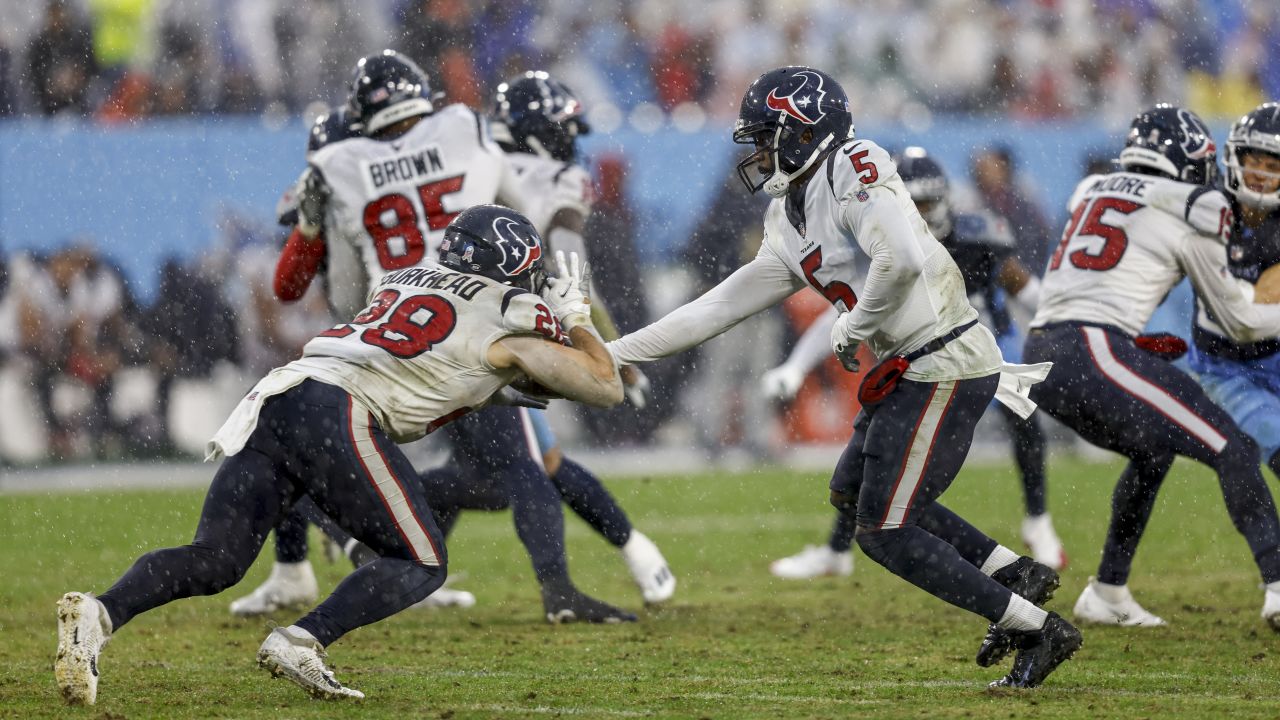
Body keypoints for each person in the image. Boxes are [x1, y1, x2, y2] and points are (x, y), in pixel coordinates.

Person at [608, 66, 1080, 689]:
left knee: (884, 530)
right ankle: (1012, 570)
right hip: (911, 369)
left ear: (804, 133)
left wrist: (855, 325)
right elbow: (713, 309)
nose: (755, 151)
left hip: (943, 363)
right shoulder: (788, 216)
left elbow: (904, 260)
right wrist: (615, 352)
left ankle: (1036, 626)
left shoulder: (852, 162)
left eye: (767, 135)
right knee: (853, 495)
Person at [53, 205, 624, 705]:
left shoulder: (404, 277)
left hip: (281, 393)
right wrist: (574, 318)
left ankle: (99, 614)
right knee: (421, 561)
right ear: (510, 265)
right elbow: (603, 385)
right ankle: (301, 640)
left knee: (217, 558)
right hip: (341, 410)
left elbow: (462, 364)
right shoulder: (511, 315)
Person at [234, 53, 663, 623]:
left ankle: (348, 541)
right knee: (521, 465)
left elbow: (335, 293)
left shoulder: (339, 162)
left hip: (394, 323)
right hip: (474, 320)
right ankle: (554, 590)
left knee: (310, 438)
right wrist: (579, 322)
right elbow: (529, 224)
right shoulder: (464, 129)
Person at [1022, 104, 1280, 633]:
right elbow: (1241, 322)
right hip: (1093, 349)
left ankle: (1108, 591)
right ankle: (1279, 585)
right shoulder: (1196, 205)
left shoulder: (1093, 188)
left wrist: (1129, 343)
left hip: (1048, 349)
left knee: (1152, 450)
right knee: (1232, 449)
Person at [765, 146, 1065, 581]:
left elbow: (1027, 292)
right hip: (922, 360)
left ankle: (1038, 522)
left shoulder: (977, 236)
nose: (922, 213)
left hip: (985, 350)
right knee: (871, 454)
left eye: (928, 203)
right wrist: (796, 366)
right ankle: (836, 549)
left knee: (1023, 420)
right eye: (914, 203)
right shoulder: (884, 246)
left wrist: (1068, 325)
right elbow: (845, 314)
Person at [1186, 101, 1280, 629]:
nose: (1261, 172)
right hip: (1223, 369)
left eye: (1274, 163)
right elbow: (1252, 311)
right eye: (1254, 158)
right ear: (1234, 158)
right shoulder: (1206, 208)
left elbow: (1262, 302)